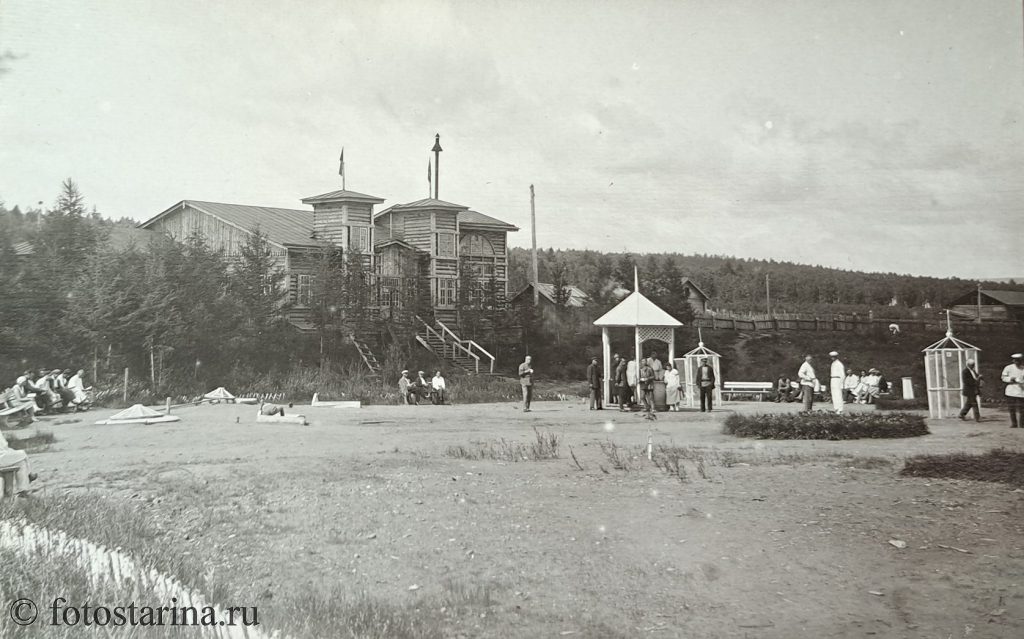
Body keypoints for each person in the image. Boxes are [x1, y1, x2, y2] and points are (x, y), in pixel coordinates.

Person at [1000, 353, 1024, 428]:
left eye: (1019, 360)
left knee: (1022, 408)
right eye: (1015, 360)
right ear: (1013, 360)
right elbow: (1003, 378)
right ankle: (1014, 423)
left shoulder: (1023, 368)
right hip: (1011, 390)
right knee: (1011, 408)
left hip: (1021, 390)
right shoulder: (1008, 368)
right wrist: (1011, 379)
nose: (1017, 362)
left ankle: (1022, 424)